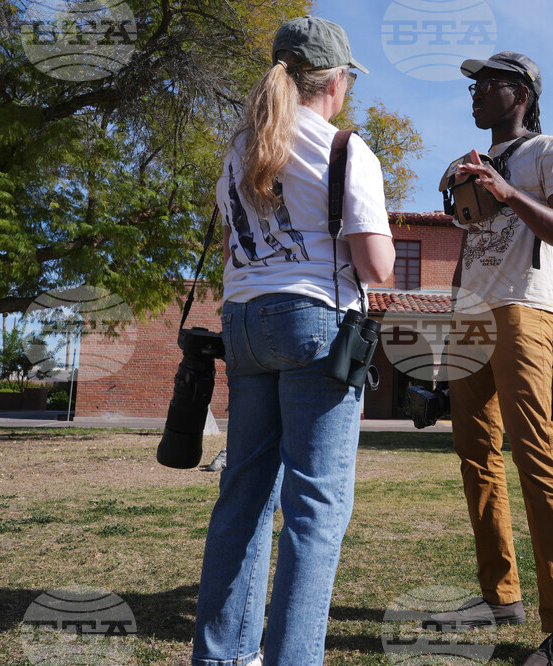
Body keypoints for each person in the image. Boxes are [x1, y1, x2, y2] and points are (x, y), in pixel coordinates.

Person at [191, 16, 394, 666]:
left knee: (244, 495)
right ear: (335, 81)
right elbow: (377, 266)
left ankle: (223, 656)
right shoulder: (342, 150)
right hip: (318, 326)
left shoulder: (240, 150)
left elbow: (233, 247)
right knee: (315, 508)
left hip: (246, 323)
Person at [424, 52, 553, 665]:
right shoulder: (465, 162)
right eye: (472, 85)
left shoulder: (550, 151)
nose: (474, 93)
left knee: (534, 453)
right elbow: (471, 246)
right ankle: (499, 596)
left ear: (520, 93)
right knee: (475, 458)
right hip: (471, 315)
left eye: (488, 84)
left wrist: (506, 190)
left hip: (524, 309)